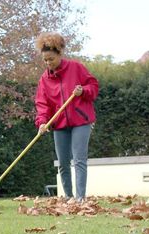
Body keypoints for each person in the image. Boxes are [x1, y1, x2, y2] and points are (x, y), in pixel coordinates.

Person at [34, 32, 99, 202]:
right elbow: (42, 104)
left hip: (81, 121)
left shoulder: (76, 68)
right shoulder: (44, 79)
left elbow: (93, 87)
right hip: (60, 124)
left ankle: (80, 198)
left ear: (59, 54)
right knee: (62, 163)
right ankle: (68, 197)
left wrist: (82, 91)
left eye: (51, 59)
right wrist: (42, 122)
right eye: (45, 60)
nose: (48, 63)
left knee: (78, 159)